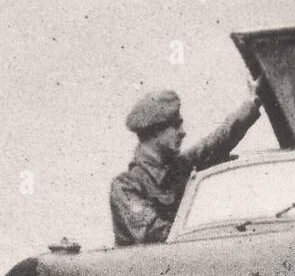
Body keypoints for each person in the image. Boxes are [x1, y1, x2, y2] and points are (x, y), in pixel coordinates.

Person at [110, 82, 262, 246]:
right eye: (175, 126)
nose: (183, 132)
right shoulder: (126, 187)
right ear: (154, 132)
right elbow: (156, 234)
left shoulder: (179, 166)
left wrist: (253, 103)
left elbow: (217, 141)